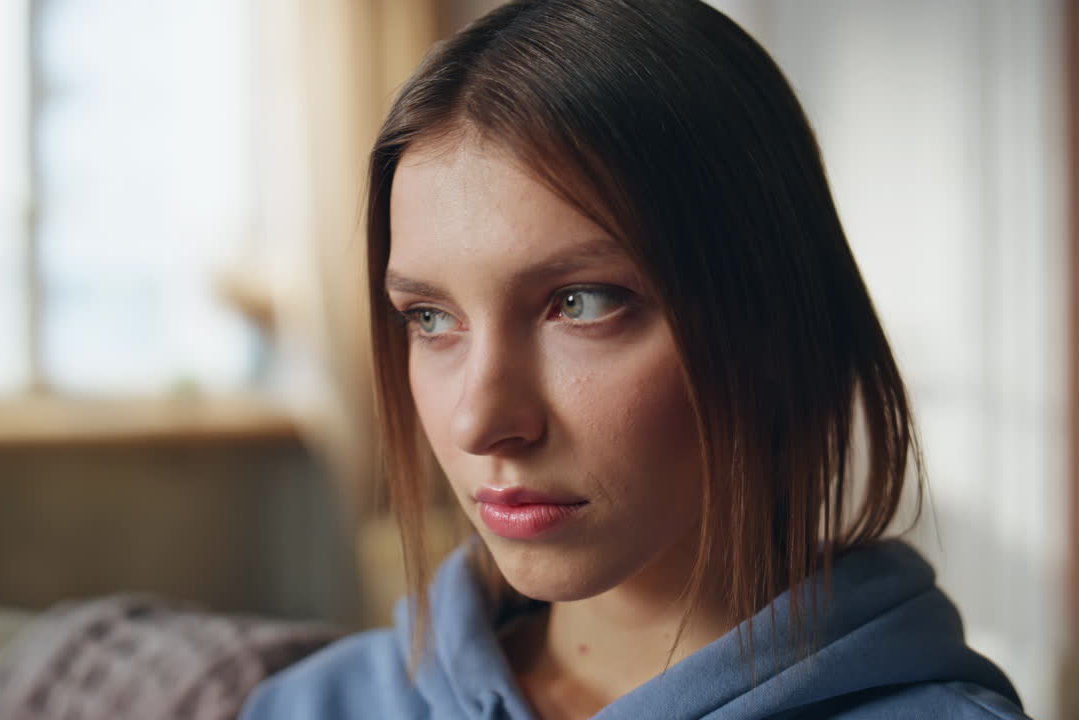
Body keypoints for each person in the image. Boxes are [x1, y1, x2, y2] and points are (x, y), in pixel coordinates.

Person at [241, 0, 1030, 718]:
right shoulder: (313, 705)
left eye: (580, 303)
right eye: (430, 317)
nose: (481, 420)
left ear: (774, 324)